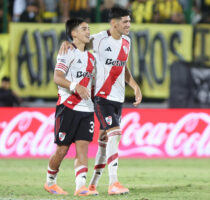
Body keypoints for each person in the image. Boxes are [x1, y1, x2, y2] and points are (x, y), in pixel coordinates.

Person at [59, 6, 142, 196]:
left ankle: (93, 184)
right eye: (125, 21)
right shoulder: (98, 40)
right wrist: (66, 43)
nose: (128, 25)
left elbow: (122, 68)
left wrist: (135, 86)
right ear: (114, 23)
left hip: (118, 98)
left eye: (129, 21)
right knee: (115, 134)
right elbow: (77, 43)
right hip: (101, 97)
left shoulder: (127, 42)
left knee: (105, 141)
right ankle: (114, 183)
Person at [44, 18, 96, 196]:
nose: (88, 32)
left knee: (83, 147)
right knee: (62, 149)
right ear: (74, 34)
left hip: (87, 109)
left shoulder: (91, 57)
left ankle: (81, 187)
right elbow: (57, 77)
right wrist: (76, 86)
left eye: (89, 28)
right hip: (68, 107)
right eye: (83, 29)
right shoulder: (67, 51)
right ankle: (50, 182)